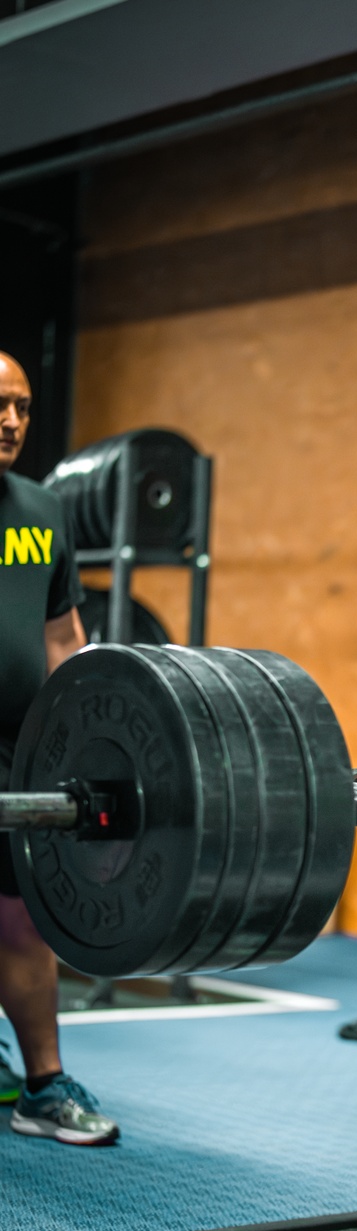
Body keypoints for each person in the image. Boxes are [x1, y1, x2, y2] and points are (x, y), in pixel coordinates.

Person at [0, 350, 120, 1146]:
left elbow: (60, 635)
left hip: (17, 752)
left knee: (21, 917)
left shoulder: (41, 511)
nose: (10, 421)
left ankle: (42, 1082)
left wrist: (80, 742)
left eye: (22, 406)